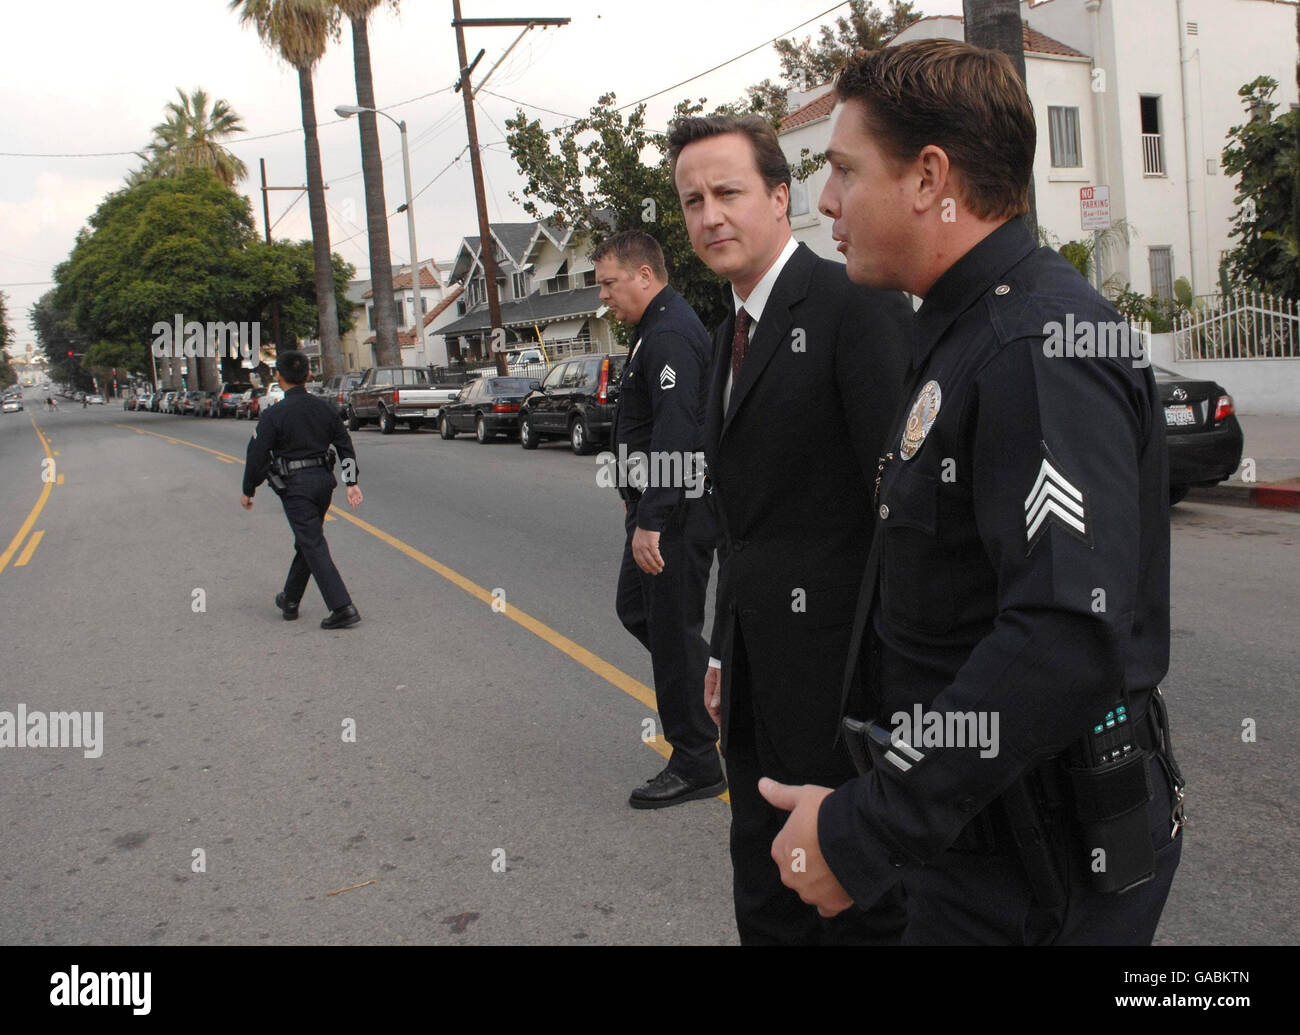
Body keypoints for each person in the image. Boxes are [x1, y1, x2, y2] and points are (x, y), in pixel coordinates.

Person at [764, 39, 1183, 945]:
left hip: (1033, 871)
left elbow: (1065, 636)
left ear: (929, 178)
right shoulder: (961, 330)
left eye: (843, 170)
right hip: (978, 841)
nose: (825, 201)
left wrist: (868, 827)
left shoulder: (1035, 350)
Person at [668, 113, 912, 944]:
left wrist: (890, 691)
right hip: (751, 682)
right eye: (693, 200)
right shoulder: (721, 336)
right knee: (767, 885)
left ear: (782, 198)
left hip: (841, 689)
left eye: (729, 192)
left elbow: (903, 514)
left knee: (850, 904)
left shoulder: (854, 306)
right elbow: (742, 524)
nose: (710, 217)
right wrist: (719, 644)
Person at [597, 230, 724, 810]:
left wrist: (652, 516)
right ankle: (716, 690)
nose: (604, 297)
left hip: (671, 512)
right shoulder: (654, 329)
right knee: (638, 611)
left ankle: (697, 760)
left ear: (645, 275)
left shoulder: (670, 332)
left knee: (672, 633)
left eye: (609, 283)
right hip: (656, 508)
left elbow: (677, 430)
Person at [240, 350, 363, 630]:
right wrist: (351, 482)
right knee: (308, 540)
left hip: (296, 486)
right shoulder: (324, 408)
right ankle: (290, 599)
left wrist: (249, 489)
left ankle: (342, 607)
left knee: (312, 542)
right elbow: (344, 445)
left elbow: (257, 453)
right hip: (323, 483)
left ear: (279, 377)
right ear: (308, 375)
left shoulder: (274, 414)